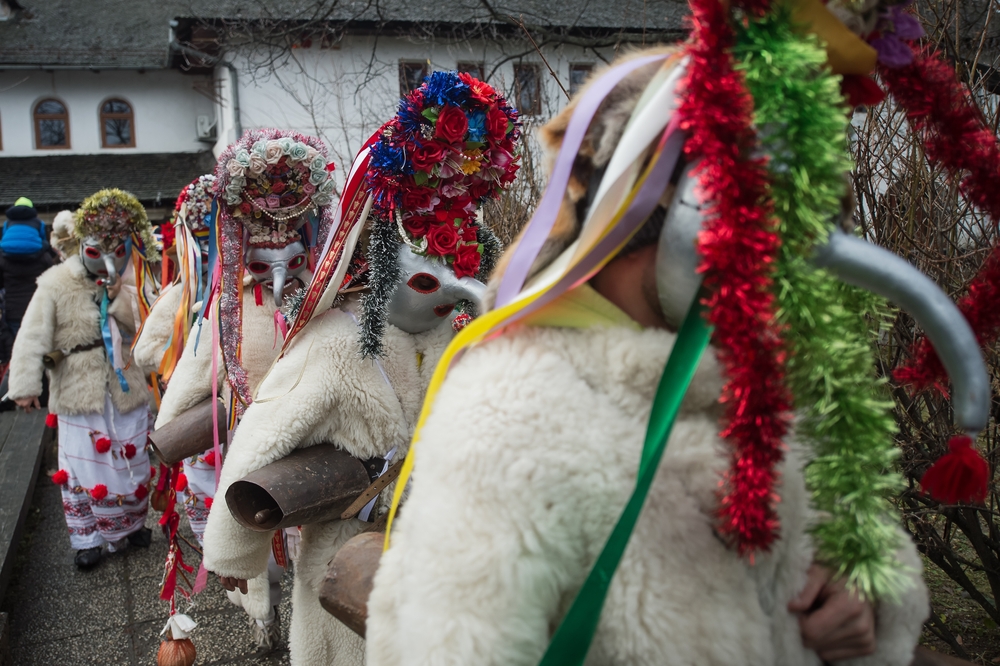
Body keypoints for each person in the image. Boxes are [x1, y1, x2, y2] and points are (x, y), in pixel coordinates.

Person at [364, 50, 929, 665]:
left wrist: (863, 591)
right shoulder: (514, 423)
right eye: (767, 238)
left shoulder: (751, 388)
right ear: (693, 217)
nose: (783, 284)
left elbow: (864, 544)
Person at [200, 71, 520, 665]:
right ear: (379, 261)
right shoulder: (338, 343)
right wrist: (235, 552)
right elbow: (261, 438)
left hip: (447, 547)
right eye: (428, 277)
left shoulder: (475, 338)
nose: (452, 291)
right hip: (349, 557)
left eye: (463, 270)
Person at [153, 130, 336, 651]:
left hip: (313, 448)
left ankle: (311, 631)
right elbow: (196, 368)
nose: (278, 277)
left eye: (293, 260)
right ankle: (264, 622)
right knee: (255, 542)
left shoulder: (329, 305)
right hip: (251, 443)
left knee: (311, 550)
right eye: (261, 264)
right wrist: (167, 434)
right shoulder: (226, 311)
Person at [7, 189, 158, 569]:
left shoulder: (134, 276)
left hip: (125, 383)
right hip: (77, 387)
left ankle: (132, 524)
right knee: (83, 464)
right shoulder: (54, 282)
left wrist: (121, 294)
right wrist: (25, 386)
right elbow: (31, 334)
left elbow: (152, 323)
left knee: (133, 454)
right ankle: (88, 539)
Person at [0, 197, 54, 343]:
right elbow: (53, 281)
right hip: (36, 310)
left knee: (16, 347)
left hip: (12, 311)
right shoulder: (44, 257)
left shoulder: (3, 259)